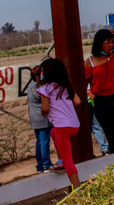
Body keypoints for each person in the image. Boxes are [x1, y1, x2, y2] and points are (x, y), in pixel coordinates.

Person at [37, 58, 82, 191]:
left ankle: (78, 190)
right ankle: (60, 161)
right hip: (74, 125)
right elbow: (78, 101)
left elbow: (45, 108)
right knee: (53, 132)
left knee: (69, 162)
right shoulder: (66, 86)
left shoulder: (45, 89)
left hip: (62, 127)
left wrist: (44, 112)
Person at [26, 66, 57, 173]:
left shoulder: (30, 86)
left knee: (39, 141)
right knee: (44, 141)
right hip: (43, 118)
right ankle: (46, 164)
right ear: (37, 76)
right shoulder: (40, 87)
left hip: (34, 117)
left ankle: (39, 165)